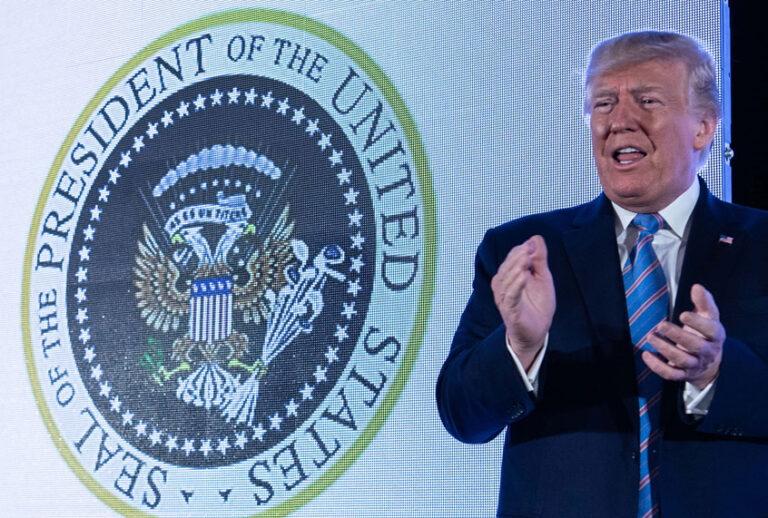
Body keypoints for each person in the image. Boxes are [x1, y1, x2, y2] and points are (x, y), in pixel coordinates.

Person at [436, 31, 768, 518]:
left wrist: (717, 372)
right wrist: (518, 347)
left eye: (646, 100)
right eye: (603, 102)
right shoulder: (524, 251)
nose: (619, 120)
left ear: (703, 128)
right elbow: (463, 418)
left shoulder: (761, 245)